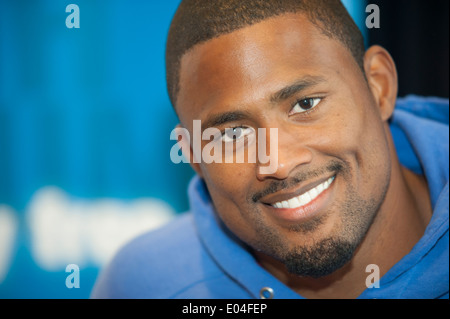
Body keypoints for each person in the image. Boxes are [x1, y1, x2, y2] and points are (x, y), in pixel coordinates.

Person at [91, 0, 449, 299]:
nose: (277, 162)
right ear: (195, 157)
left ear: (379, 87)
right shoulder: (142, 284)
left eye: (306, 104)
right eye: (232, 134)